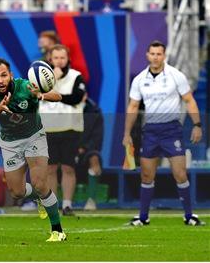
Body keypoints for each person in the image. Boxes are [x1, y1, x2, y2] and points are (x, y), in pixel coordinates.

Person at [0, 58, 66, 242]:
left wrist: (40, 95)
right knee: (16, 192)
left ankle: (57, 230)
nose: (0, 80)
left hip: (34, 136)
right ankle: (40, 197)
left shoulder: (26, 86)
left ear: (11, 75)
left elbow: (58, 96)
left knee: (40, 183)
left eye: (4, 75)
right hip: (10, 143)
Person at [123, 41, 205, 226]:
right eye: (152, 53)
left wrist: (197, 124)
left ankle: (189, 215)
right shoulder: (139, 79)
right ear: (147, 55)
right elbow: (133, 106)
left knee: (180, 173)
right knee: (146, 175)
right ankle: (143, 217)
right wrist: (126, 133)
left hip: (171, 130)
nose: (155, 57)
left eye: (159, 54)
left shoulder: (176, 75)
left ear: (164, 56)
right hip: (150, 130)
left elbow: (189, 100)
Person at [39, 45, 86, 216]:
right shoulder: (40, 78)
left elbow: (77, 98)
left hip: (70, 128)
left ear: (68, 59)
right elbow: (37, 98)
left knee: (68, 168)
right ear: (50, 59)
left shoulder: (76, 77)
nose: (59, 61)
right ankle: (53, 205)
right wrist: (52, 81)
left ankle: (67, 204)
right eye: (56, 58)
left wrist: (54, 94)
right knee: (50, 169)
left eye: (62, 58)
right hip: (48, 129)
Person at [77, 98, 104, 211]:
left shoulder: (95, 111)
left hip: (85, 152)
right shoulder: (61, 108)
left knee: (94, 158)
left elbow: (97, 139)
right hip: (64, 148)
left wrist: (83, 148)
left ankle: (91, 201)